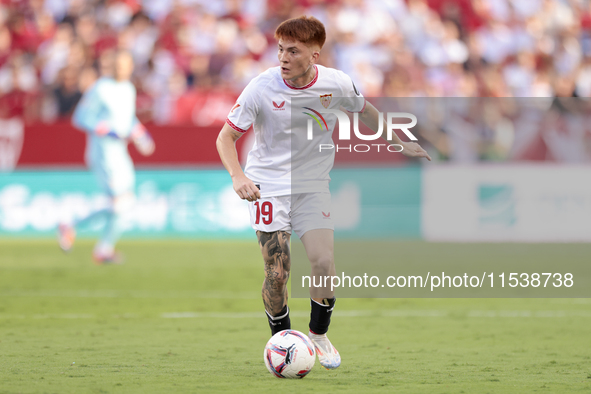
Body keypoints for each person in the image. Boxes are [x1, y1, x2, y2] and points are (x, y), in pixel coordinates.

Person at [216, 16, 431, 370]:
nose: (283, 58)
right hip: (268, 186)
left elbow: (367, 112)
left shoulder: (336, 83)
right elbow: (226, 137)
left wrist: (400, 142)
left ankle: (318, 334)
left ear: (315, 54)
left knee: (323, 262)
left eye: (293, 51)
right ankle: (281, 340)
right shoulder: (261, 87)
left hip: (313, 185)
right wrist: (238, 176)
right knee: (277, 272)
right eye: (281, 49)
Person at [57, 50, 155, 264]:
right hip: (103, 153)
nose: (122, 70)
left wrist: (140, 133)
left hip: (120, 152)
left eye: (125, 66)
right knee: (119, 202)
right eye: (118, 66)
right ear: (112, 67)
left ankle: (100, 247)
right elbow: (80, 118)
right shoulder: (100, 89)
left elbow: (127, 119)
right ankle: (75, 229)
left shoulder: (128, 89)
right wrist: (105, 129)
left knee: (125, 203)